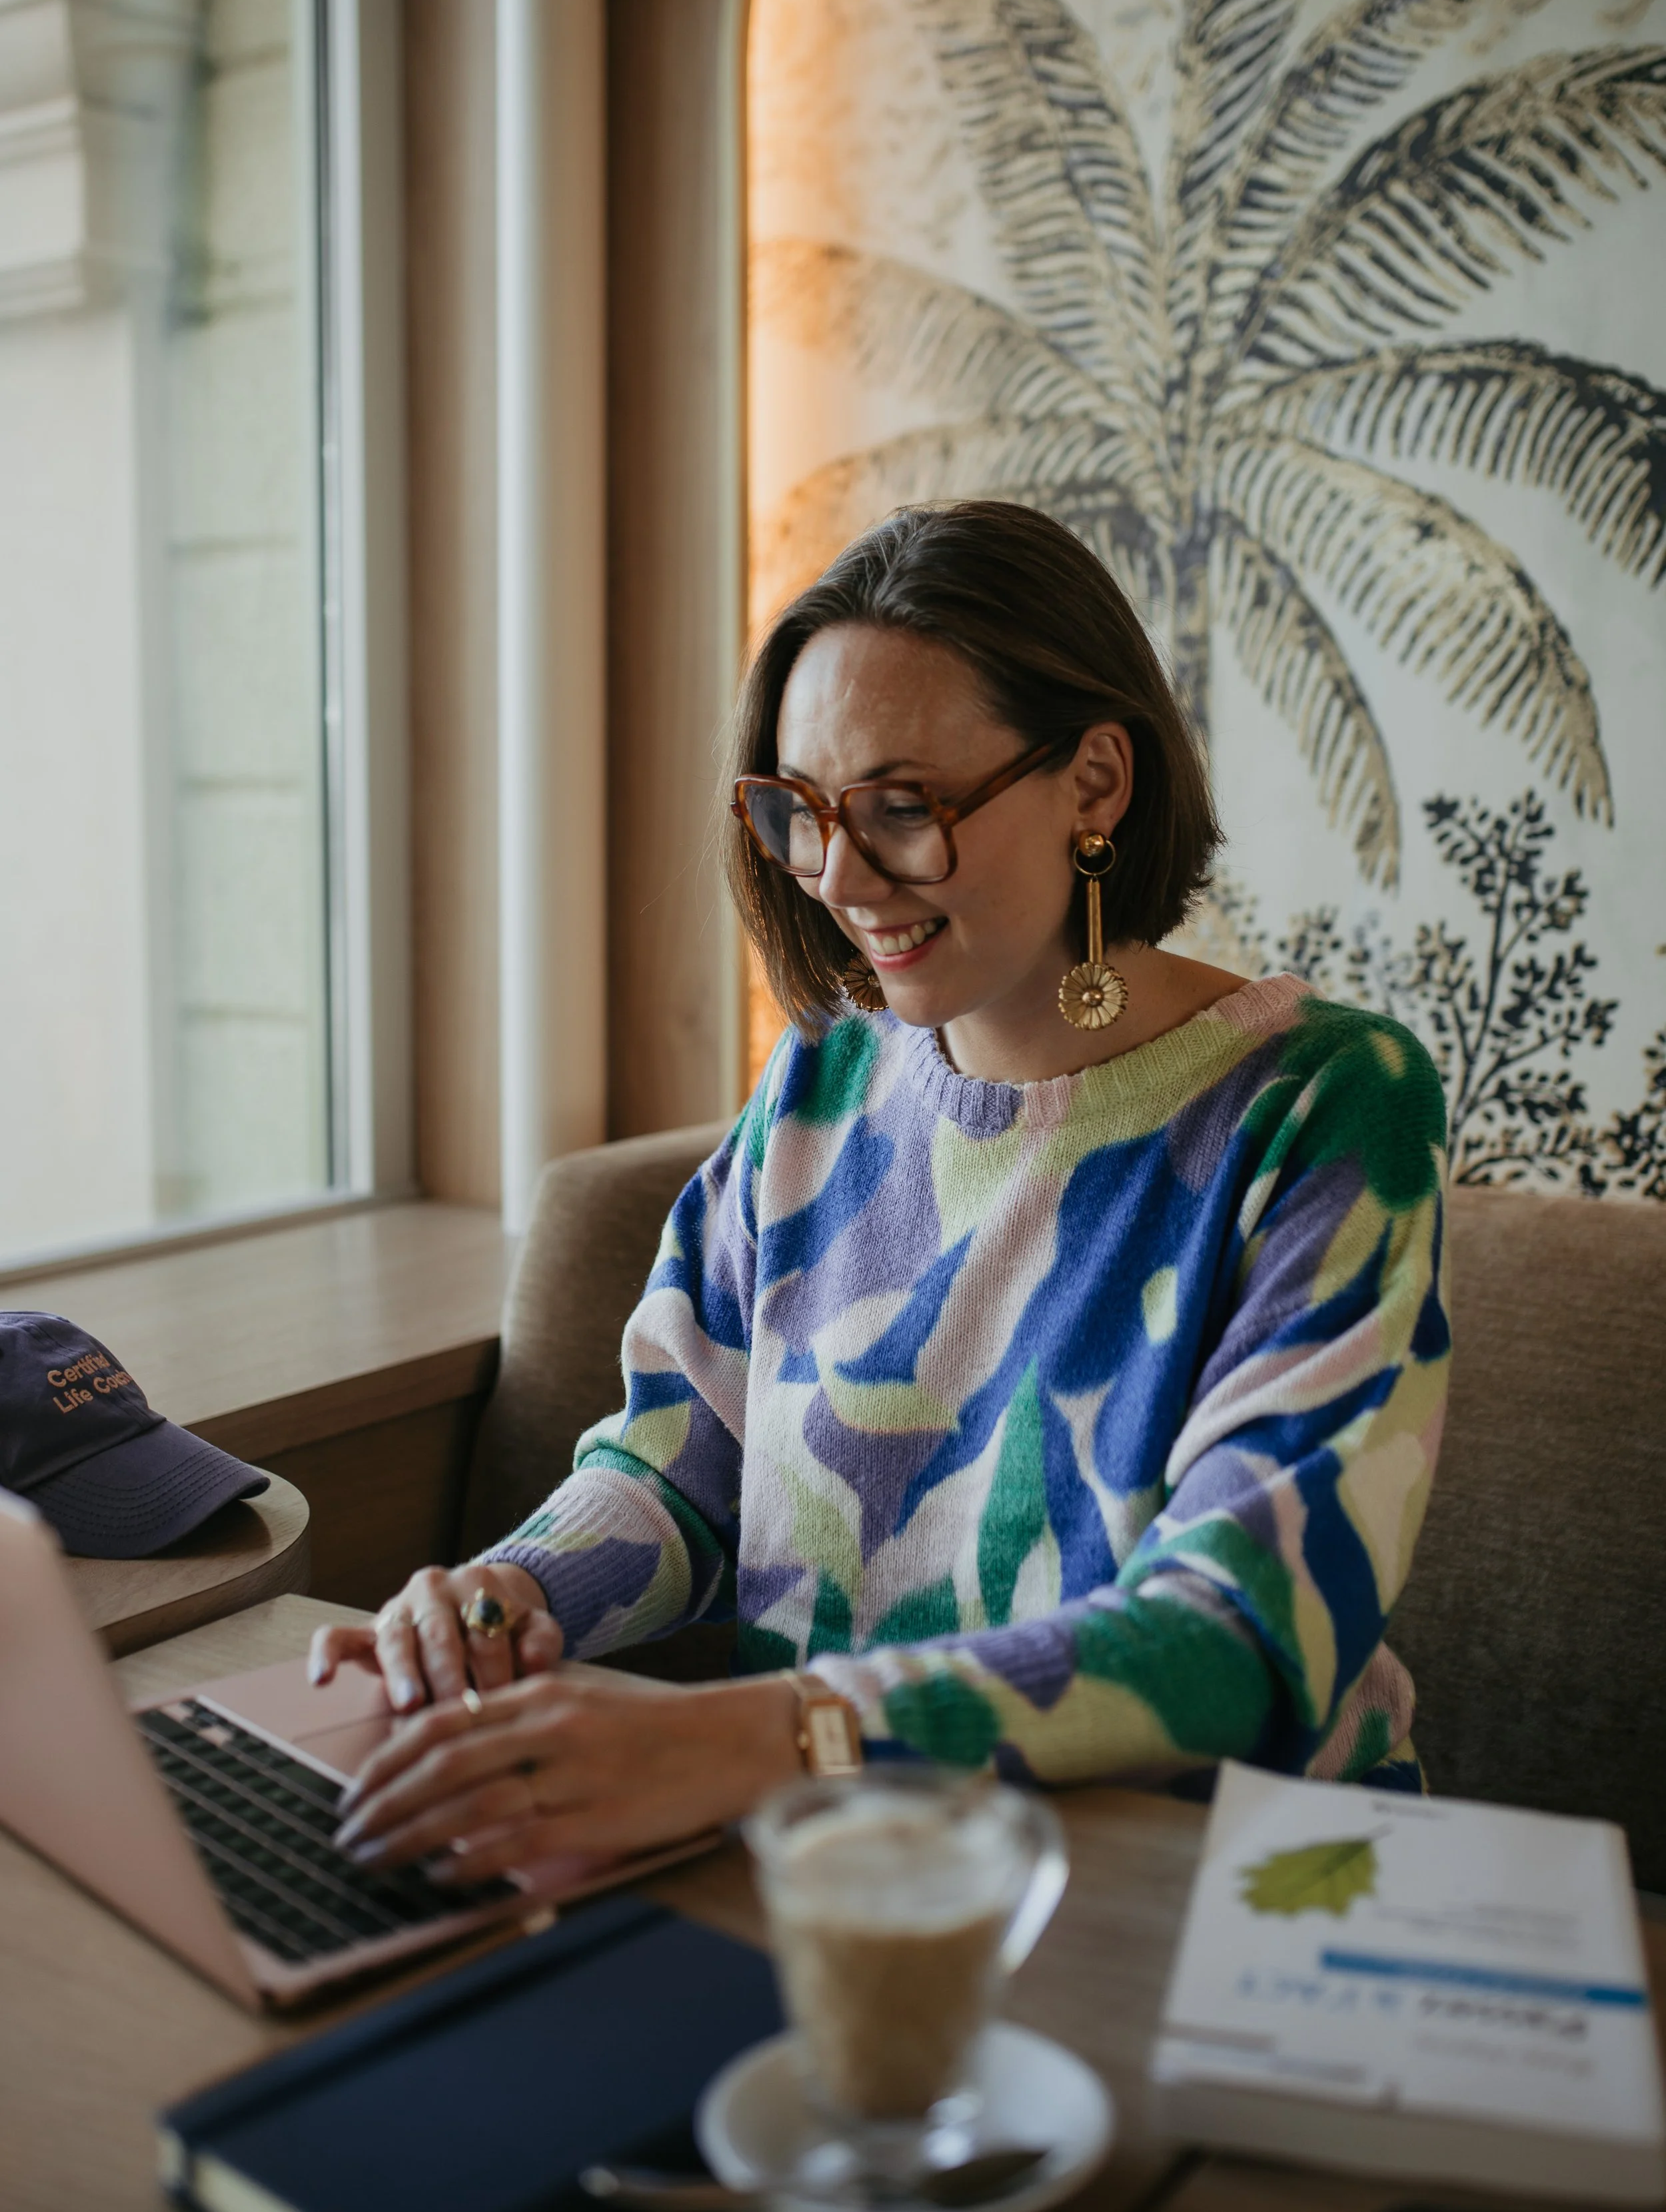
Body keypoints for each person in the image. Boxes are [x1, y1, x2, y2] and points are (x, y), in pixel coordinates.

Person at [317, 502, 1449, 1892]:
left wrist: (759, 1742)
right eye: (799, 809)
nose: (837, 877)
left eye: (904, 807)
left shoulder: (1323, 1102)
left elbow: (1238, 1634)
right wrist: (509, 1595)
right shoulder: (816, 1089)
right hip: (858, 1874)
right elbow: (679, 1470)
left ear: (1096, 783)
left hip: (1205, 1889)